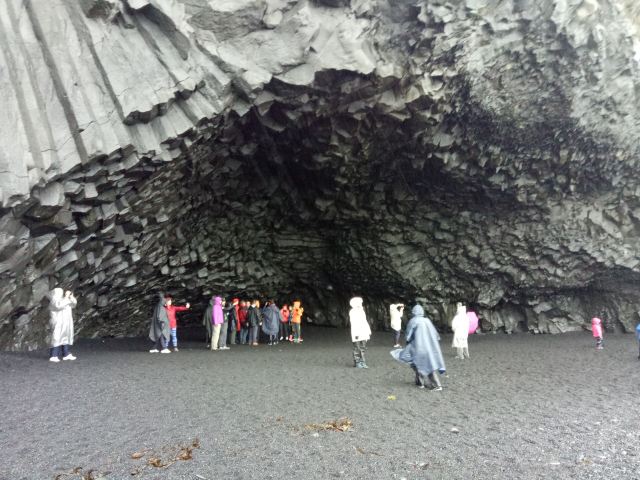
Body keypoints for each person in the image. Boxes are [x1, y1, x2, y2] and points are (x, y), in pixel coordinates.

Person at [391, 304, 446, 391]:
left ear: (413, 312)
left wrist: (408, 343)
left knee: (417, 364)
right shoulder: (427, 321)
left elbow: (408, 336)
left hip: (417, 347)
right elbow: (436, 335)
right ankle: (430, 384)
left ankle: (423, 383)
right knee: (429, 365)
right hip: (428, 347)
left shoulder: (413, 321)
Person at [48, 288, 77, 362]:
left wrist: (71, 297)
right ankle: (54, 355)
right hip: (58, 324)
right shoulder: (54, 302)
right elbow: (59, 306)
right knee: (56, 338)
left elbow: (73, 304)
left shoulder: (64, 300)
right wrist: (66, 297)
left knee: (65, 338)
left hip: (66, 323)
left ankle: (66, 354)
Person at [349, 297, 371, 368]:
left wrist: (368, 331)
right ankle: (357, 362)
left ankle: (362, 362)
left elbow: (365, 322)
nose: (361, 304)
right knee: (357, 348)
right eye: (360, 303)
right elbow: (354, 323)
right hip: (356, 332)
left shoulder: (362, 311)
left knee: (362, 348)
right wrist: (356, 333)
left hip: (363, 332)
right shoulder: (352, 312)